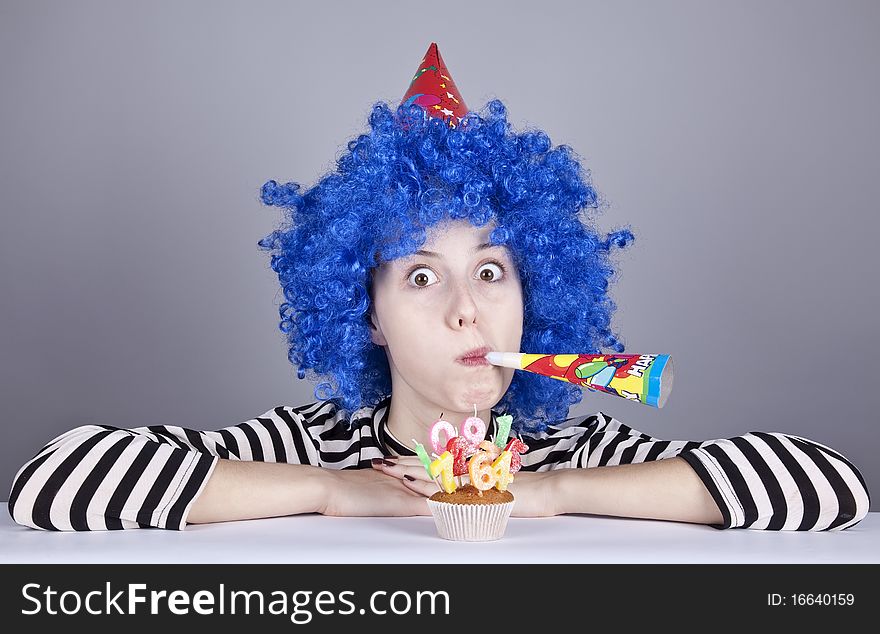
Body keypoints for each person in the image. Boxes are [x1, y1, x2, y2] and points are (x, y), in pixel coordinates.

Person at [7, 44, 869, 532]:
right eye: (422, 277)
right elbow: (51, 480)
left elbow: (829, 484)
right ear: (368, 316)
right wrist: (333, 490)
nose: (468, 307)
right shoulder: (308, 446)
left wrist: (542, 492)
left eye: (491, 272)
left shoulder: (577, 450)